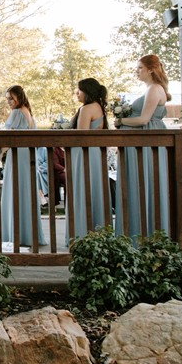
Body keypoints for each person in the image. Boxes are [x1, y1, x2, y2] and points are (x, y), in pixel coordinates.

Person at [113, 54, 171, 239]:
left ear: (151, 69)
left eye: (139, 68)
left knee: (144, 182)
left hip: (146, 142)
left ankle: (144, 234)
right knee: (137, 183)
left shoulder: (154, 89)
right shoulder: (150, 89)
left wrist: (120, 120)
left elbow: (144, 119)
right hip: (140, 140)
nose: (136, 71)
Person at [0, 85, 48, 248]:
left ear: (19, 97)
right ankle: (28, 233)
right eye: (7, 99)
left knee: (15, 190)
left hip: (18, 154)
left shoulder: (17, 113)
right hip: (28, 155)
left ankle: (16, 233)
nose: (9, 102)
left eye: (11, 98)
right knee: (25, 191)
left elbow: (8, 139)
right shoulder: (28, 112)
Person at [66, 78, 109, 245]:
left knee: (81, 189)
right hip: (96, 154)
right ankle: (98, 232)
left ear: (87, 91)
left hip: (83, 153)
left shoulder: (86, 109)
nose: (77, 93)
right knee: (95, 189)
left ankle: (81, 234)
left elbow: (80, 135)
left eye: (79, 90)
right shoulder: (99, 107)